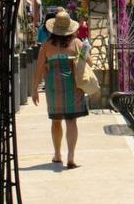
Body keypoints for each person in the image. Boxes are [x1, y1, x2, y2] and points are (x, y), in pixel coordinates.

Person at [32, 9, 92, 169]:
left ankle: (57, 154)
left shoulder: (46, 46)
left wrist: (34, 89)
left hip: (52, 85)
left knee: (56, 120)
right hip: (72, 84)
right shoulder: (78, 43)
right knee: (71, 120)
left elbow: (38, 68)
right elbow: (90, 63)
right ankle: (71, 156)